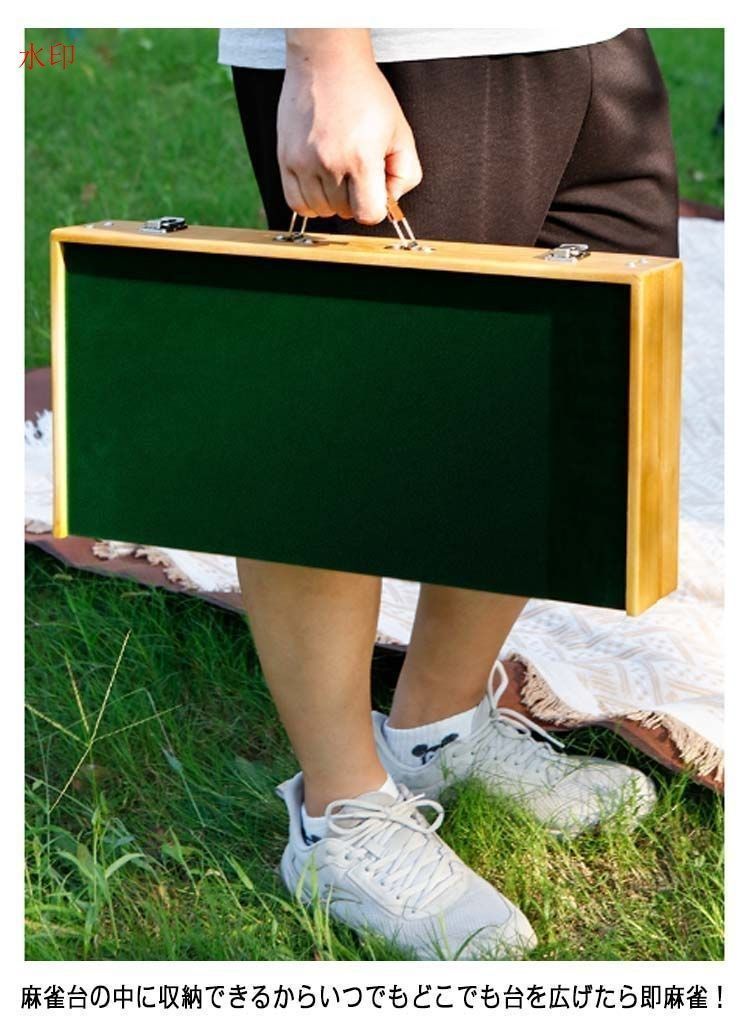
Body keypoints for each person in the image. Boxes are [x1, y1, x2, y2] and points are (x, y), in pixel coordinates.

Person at [218, 27, 679, 960]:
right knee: (350, 417)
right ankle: (341, 817)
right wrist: (327, 55)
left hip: (585, 33)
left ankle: (437, 730)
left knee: (565, 355)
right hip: (404, 40)